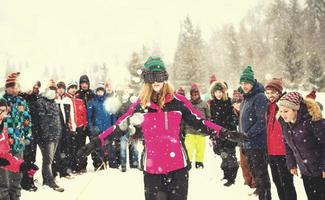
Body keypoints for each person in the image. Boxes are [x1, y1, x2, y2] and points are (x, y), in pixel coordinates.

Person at [78, 56, 246, 200]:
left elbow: (200, 123)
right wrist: (94, 143)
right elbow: (118, 127)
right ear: (146, 80)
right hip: (152, 170)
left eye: (159, 76)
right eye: (151, 76)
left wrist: (226, 133)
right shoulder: (140, 106)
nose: (156, 81)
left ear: (165, 77)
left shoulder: (178, 102)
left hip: (178, 168)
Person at [278, 92, 325, 200]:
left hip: (320, 171)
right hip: (305, 170)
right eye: (280, 111)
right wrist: (291, 164)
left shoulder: (312, 122)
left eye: (286, 111)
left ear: (296, 109)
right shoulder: (285, 123)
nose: (282, 114)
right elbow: (287, 144)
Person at [239, 66, 271, 200]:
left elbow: (262, 121)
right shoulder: (245, 99)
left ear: (252, 82)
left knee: (261, 176)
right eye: (242, 83)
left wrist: (248, 135)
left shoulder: (259, 97)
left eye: (246, 83)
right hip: (247, 144)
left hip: (257, 145)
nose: (244, 86)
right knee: (255, 176)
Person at [1, 72, 32, 200]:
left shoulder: (22, 101)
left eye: (16, 86)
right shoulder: (2, 102)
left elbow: (27, 120)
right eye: (12, 87)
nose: (14, 89)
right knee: (4, 177)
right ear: (6, 87)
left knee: (17, 176)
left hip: (19, 143)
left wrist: (28, 136)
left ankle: (16, 197)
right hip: (4, 146)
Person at [265, 78, 297, 200]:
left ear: (279, 92)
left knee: (287, 184)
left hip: (284, 152)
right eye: (267, 93)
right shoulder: (269, 106)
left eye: (273, 92)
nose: (270, 95)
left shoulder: (284, 106)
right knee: (277, 182)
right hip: (271, 152)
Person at [0, 98, 38, 200]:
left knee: (11, 181)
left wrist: (22, 165)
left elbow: (4, 155)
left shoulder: (3, 130)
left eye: (3, 111)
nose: (0, 114)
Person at [35, 80, 64, 192]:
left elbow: (57, 120)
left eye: (54, 90)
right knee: (47, 160)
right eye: (50, 89)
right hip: (46, 137)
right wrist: (45, 134)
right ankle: (49, 181)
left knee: (50, 160)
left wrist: (59, 132)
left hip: (55, 135)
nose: (52, 92)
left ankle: (48, 180)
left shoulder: (54, 103)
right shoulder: (41, 102)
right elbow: (42, 120)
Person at [209, 81, 238, 186]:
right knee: (223, 156)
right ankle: (226, 175)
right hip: (218, 133)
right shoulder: (212, 104)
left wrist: (230, 121)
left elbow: (234, 117)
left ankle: (232, 178)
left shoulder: (229, 102)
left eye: (220, 91)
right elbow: (212, 119)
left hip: (229, 132)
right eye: (216, 92)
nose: (218, 94)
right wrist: (212, 134)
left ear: (224, 92)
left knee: (231, 156)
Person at [18, 81, 41, 191]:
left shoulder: (35, 98)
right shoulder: (20, 98)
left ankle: (29, 180)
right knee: (23, 158)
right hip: (22, 133)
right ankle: (25, 182)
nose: (32, 89)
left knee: (31, 158)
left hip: (33, 132)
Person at [184, 83, 210, 169]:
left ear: (199, 94)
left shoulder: (204, 104)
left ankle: (199, 162)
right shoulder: (187, 104)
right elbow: (184, 117)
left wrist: (207, 126)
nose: (195, 96)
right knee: (189, 148)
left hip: (201, 130)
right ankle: (189, 162)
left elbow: (208, 116)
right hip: (190, 130)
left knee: (200, 148)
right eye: (193, 94)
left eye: (196, 94)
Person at [65, 81, 88, 174]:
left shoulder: (79, 100)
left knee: (80, 147)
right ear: (68, 89)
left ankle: (80, 166)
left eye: (75, 87)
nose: (73, 89)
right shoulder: (65, 100)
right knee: (71, 148)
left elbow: (84, 114)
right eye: (71, 87)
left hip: (80, 127)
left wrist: (84, 124)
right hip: (71, 128)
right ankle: (72, 166)